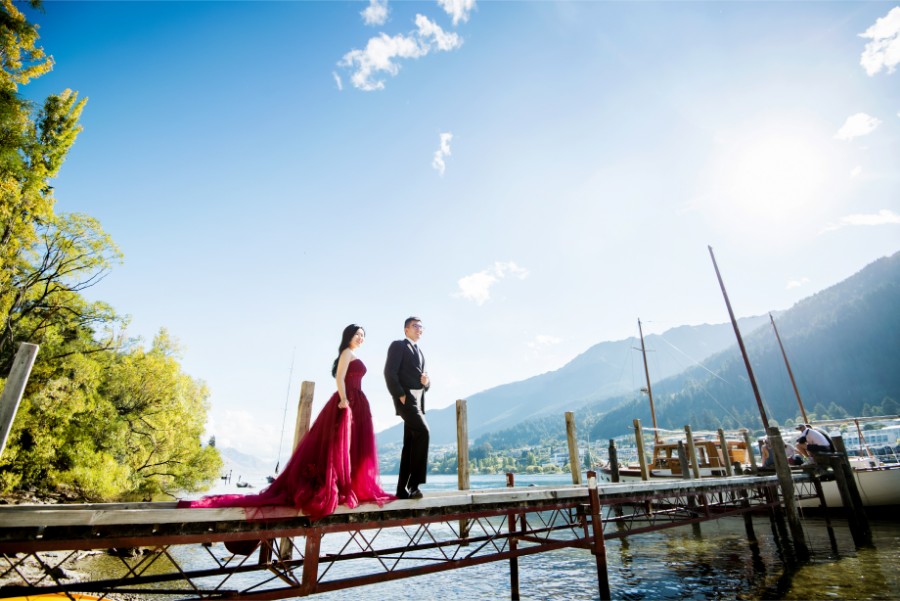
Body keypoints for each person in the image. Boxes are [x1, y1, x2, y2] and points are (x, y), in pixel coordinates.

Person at [180, 324, 394, 520]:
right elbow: (339, 377)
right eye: (357, 334)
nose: (360, 338)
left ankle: (352, 486)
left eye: (363, 336)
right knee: (336, 446)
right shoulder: (346, 353)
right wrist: (344, 399)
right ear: (348, 336)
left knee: (351, 445)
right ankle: (339, 487)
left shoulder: (353, 353)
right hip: (346, 400)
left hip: (358, 401)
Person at [384, 316, 430, 499]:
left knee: (409, 445)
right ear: (406, 329)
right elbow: (389, 372)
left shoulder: (421, 352)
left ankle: (401, 489)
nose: (419, 329)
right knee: (424, 432)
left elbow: (424, 380)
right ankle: (415, 485)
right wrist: (400, 394)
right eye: (415, 326)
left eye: (421, 326)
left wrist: (427, 383)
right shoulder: (398, 345)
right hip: (406, 400)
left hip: (419, 401)